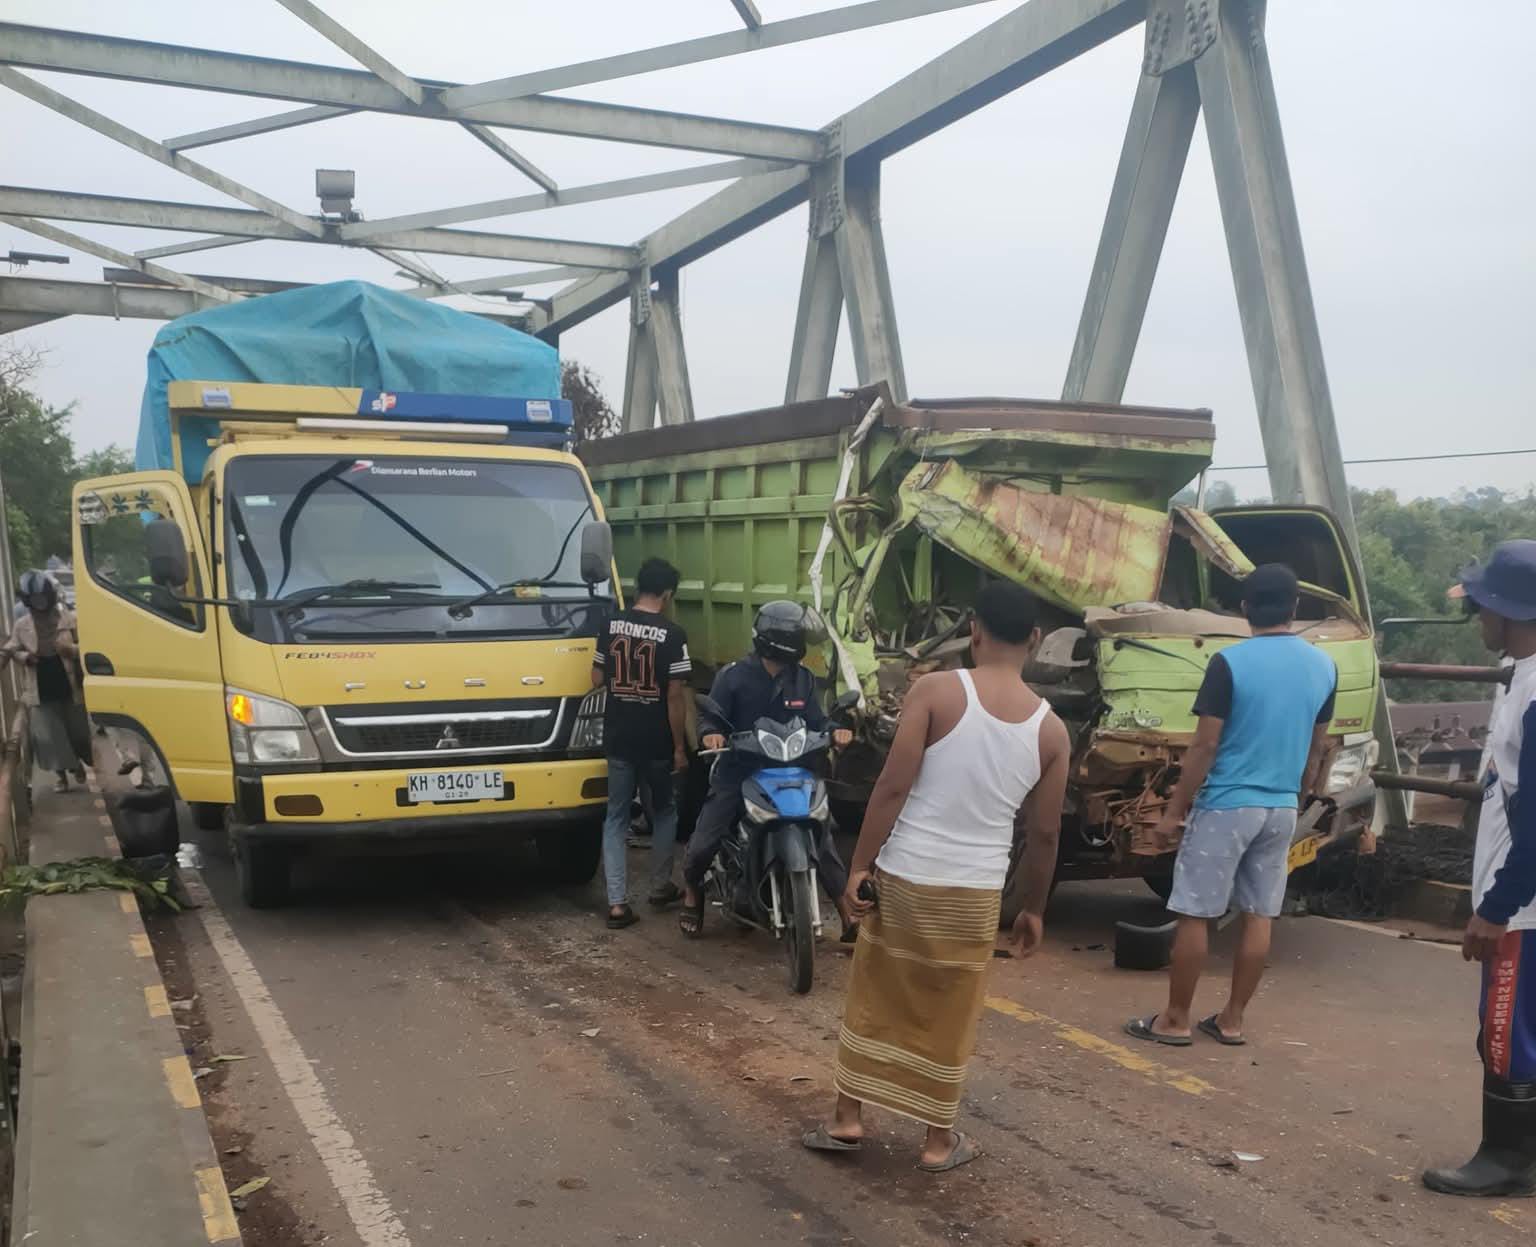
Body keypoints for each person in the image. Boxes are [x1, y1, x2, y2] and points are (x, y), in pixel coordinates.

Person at [803, 581, 1069, 1172]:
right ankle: (936, 1141)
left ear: (973, 630)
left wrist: (859, 866)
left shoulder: (935, 692)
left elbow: (893, 786)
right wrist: (1033, 908)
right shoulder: (1051, 732)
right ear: (1035, 639)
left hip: (905, 877)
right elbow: (1045, 834)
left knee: (875, 993)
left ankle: (847, 1118)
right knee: (953, 1009)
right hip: (974, 895)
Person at [1124, 563, 1337, 1048]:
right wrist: (1300, 797)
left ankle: (1175, 1020)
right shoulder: (1324, 666)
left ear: (1244, 609)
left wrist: (1174, 812)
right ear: (1295, 608)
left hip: (1226, 805)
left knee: (1195, 912)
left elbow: (1205, 747)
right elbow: (1317, 746)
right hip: (1281, 807)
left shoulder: (1229, 663)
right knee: (1259, 914)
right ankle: (1232, 1020)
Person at [1423, 539, 1536, 1198]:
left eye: (1485, 605)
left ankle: (1505, 1156)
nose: (1479, 618)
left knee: (1506, 1031)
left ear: (1509, 610)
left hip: (1521, 905)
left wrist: (1495, 907)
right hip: (1517, 896)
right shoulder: (1520, 673)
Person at [680, 600, 856, 939]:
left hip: (792, 770)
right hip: (741, 770)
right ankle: (692, 890)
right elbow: (711, 717)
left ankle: (846, 913)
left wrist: (836, 731)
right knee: (706, 839)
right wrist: (711, 734)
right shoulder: (733, 677)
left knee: (821, 835)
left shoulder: (802, 679)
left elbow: (818, 720)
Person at [591, 557, 691, 929]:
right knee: (664, 811)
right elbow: (675, 697)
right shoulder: (673, 634)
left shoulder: (609, 623)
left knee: (615, 817)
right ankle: (660, 885)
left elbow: (597, 678)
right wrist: (679, 748)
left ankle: (617, 904)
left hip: (618, 736)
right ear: (666, 593)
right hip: (656, 742)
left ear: (638, 587)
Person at [1, 571, 92, 793]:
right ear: (27, 600)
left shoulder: (68, 618)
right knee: (50, 737)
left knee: (77, 732)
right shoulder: (22, 624)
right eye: (34, 599)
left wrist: (70, 650)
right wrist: (25, 657)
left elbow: (89, 647)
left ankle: (77, 761)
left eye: (42, 597)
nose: (39, 603)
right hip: (39, 681)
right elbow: (12, 649)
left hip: (67, 679)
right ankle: (63, 774)